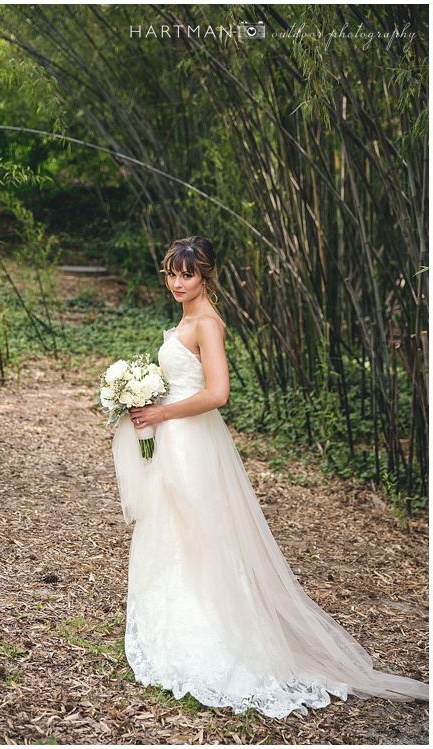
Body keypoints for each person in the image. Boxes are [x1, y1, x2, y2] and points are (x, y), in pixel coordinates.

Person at [112, 236, 428, 719]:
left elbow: (218, 393)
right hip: (178, 435)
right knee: (177, 528)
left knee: (202, 532)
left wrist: (161, 412)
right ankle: (176, 619)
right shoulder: (187, 317)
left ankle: (219, 634)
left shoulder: (208, 323)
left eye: (188, 274)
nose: (178, 283)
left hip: (192, 438)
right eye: (172, 274)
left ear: (207, 276)